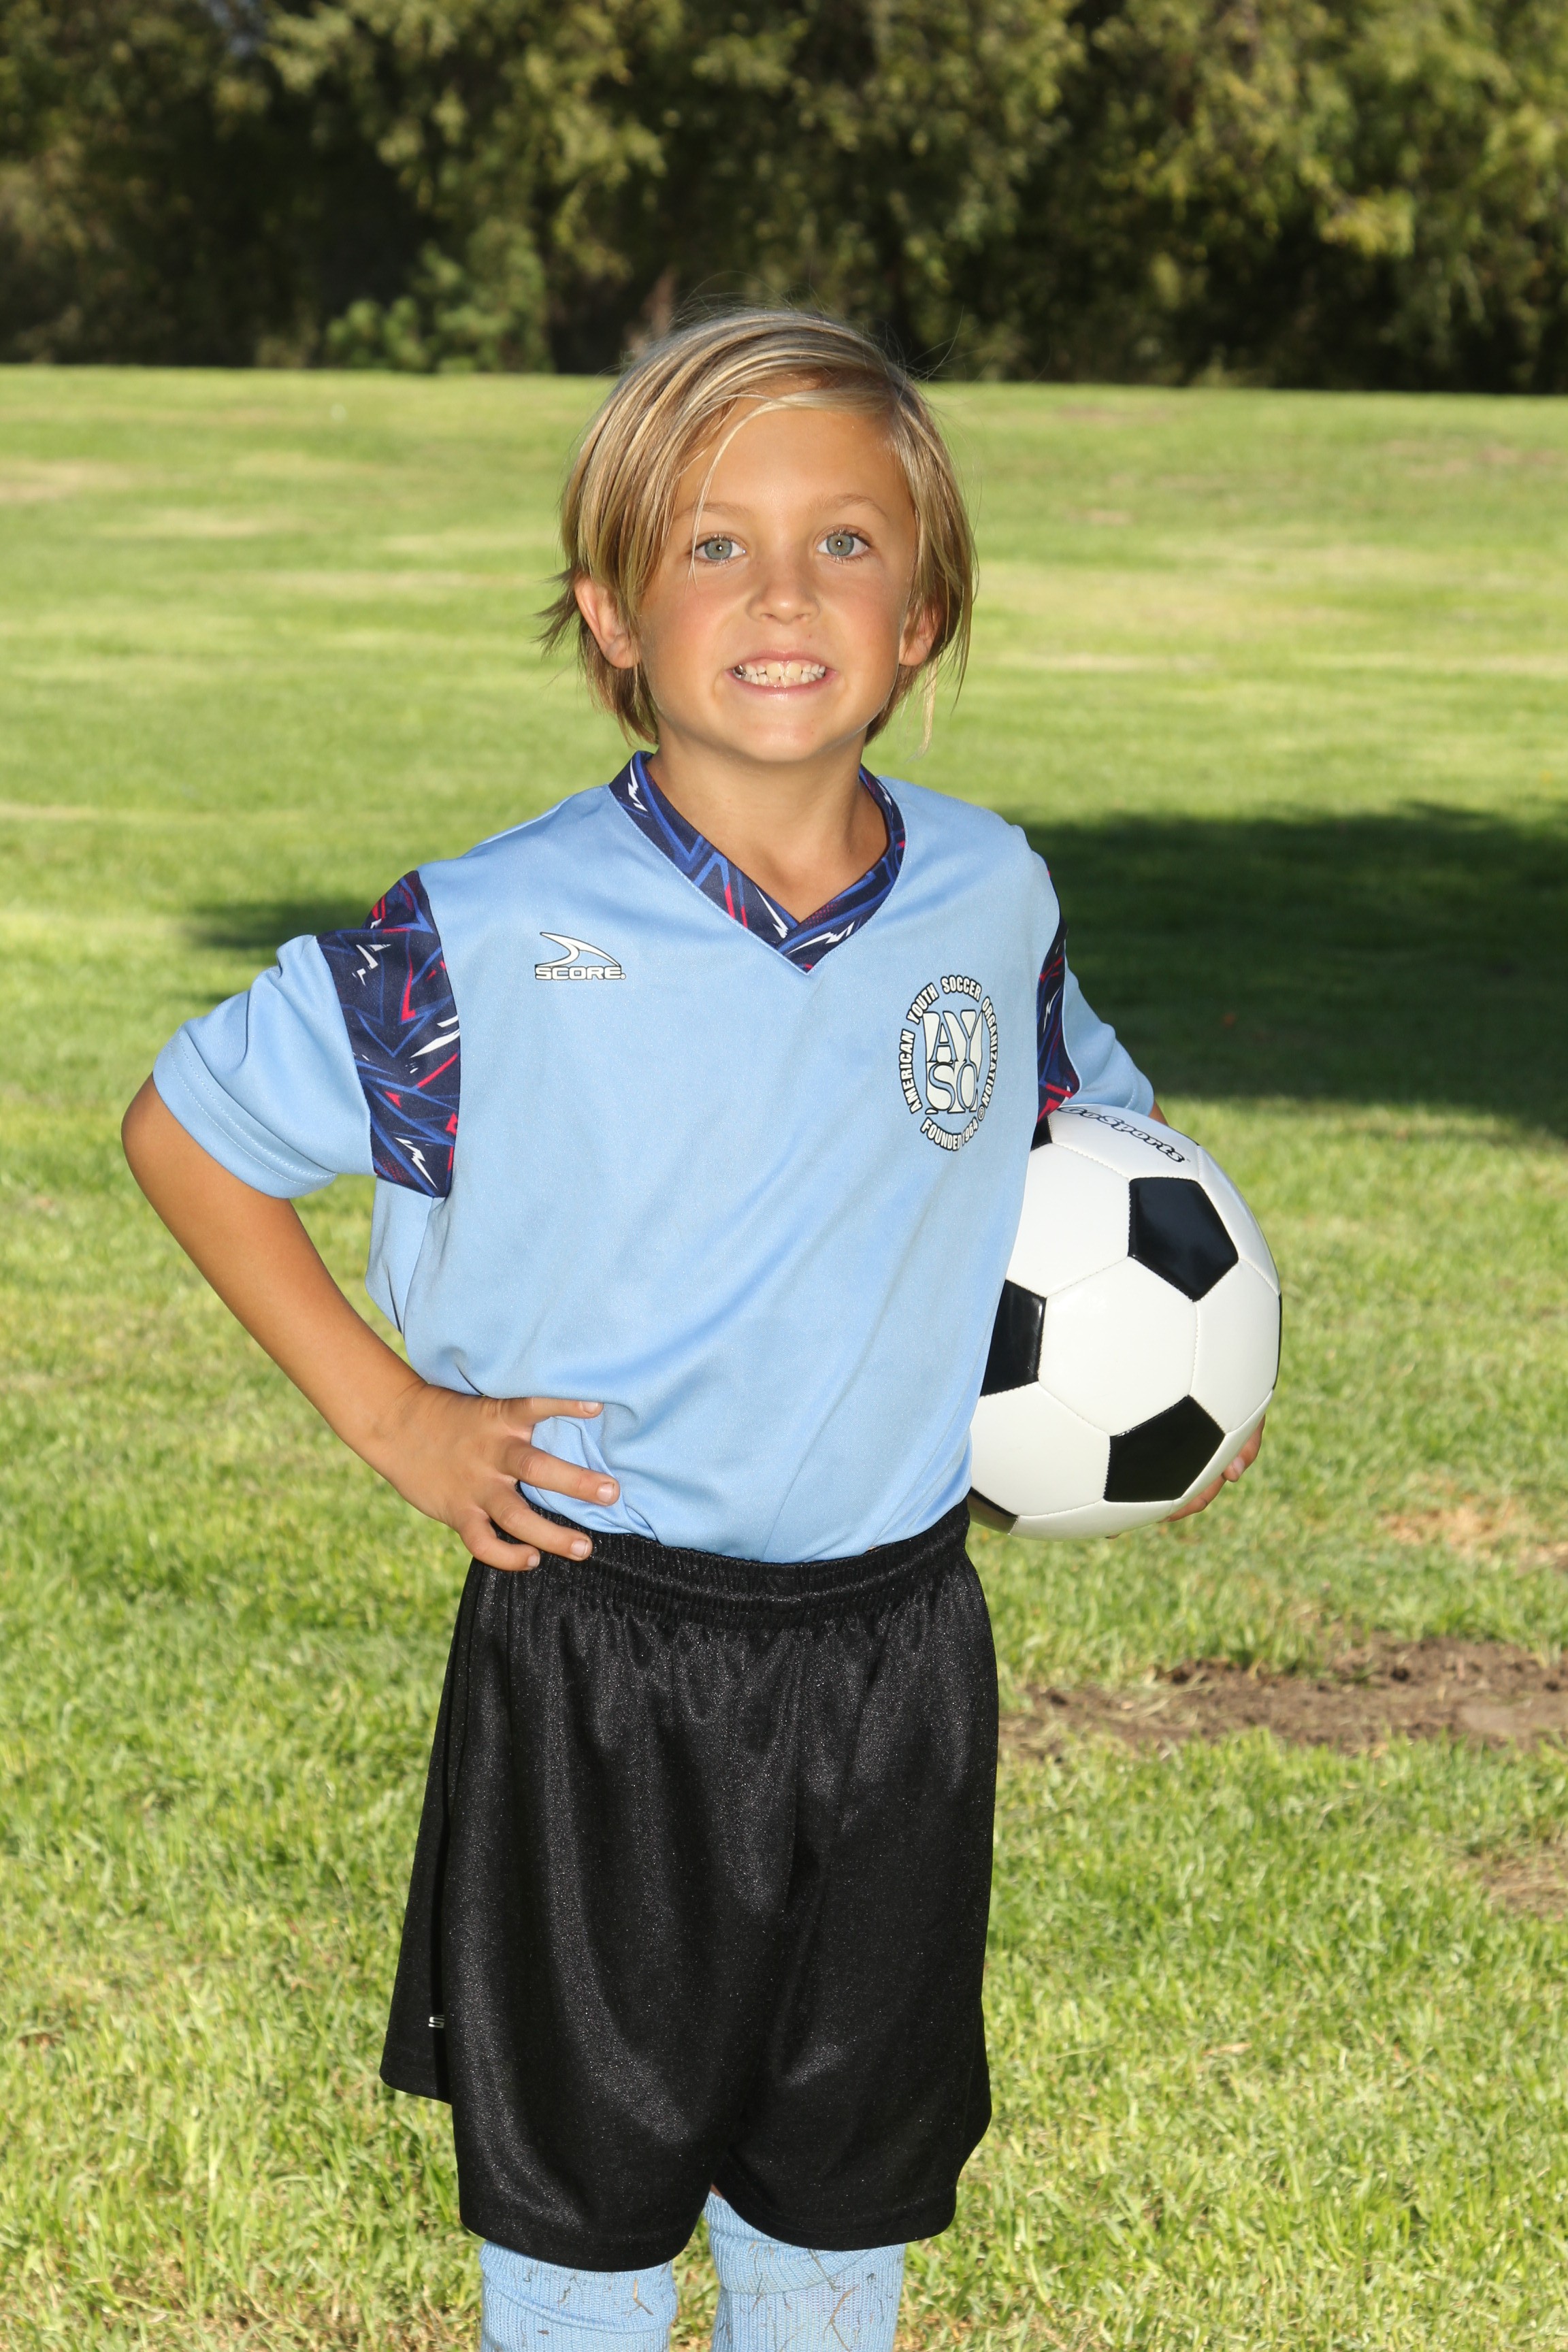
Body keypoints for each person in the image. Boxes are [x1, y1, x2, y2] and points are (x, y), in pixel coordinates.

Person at [122, 308, 1260, 2352]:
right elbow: (186, 1133)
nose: (783, 592)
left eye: (846, 544)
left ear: (923, 616)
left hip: (901, 1650)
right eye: (715, 545)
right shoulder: (485, 931)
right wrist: (400, 1422)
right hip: (607, 1648)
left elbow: (1096, 1147)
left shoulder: (989, 896)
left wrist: (1187, 1387)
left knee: (843, 2174)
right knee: (587, 2194)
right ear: (613, 617)